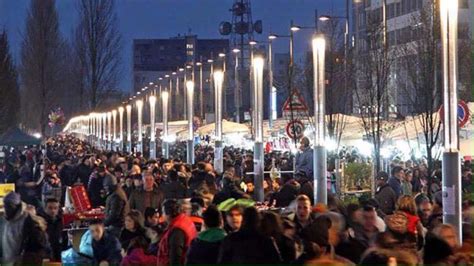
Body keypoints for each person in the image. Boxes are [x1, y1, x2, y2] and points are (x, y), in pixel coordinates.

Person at [1, 192, 49, 264]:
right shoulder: (5, 220)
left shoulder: (28, 222)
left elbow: (38, 246)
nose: (6, 209)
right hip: (7, 261)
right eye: (5, 206)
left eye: (9, 206)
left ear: (16, 206)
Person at [157, 199, 197, 266]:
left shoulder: (177, 230)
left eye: (163, 212)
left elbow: (175, 257)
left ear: (168, 214)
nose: (162, 215)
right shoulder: (185, 220)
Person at [38, 198, 64, 262]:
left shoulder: (60, 220)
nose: (53, 211)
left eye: (55, 208)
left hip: (58, 251)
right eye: (50, 208)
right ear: (45, 208)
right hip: (44, 253)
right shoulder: (40, 221)